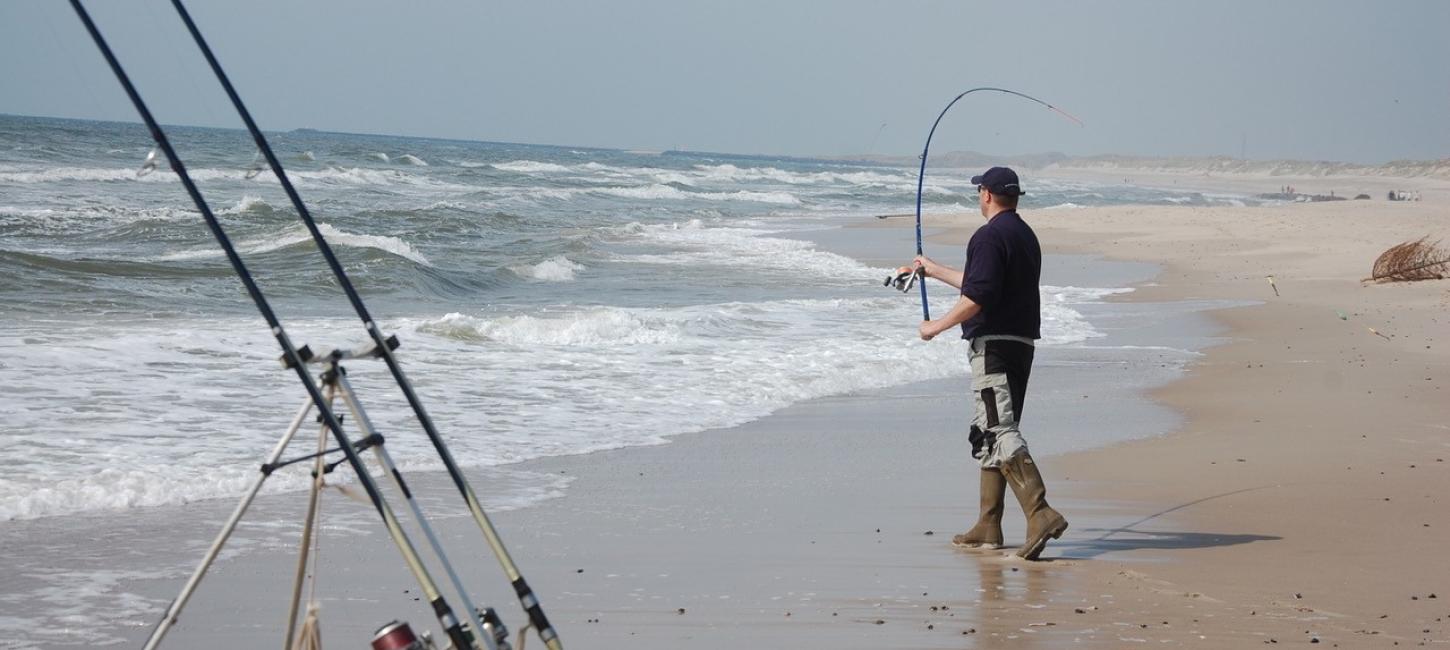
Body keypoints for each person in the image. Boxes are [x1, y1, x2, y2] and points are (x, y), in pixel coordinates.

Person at [908, 166, 1068, 560]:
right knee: (989, 429)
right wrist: (931, 269)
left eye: (979, 189)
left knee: (998, 429)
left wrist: (935, 327)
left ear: (986, 195)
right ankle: (988, 524)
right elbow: (980, 282)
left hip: (993, 345)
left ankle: (1039, 511)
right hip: (1021, 343)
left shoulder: (988, 236)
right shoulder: (1023, 235)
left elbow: (977, 297)